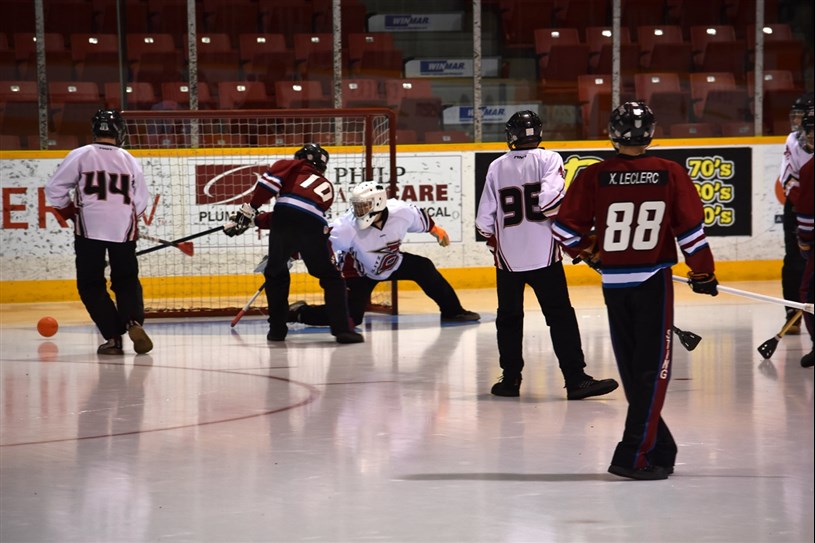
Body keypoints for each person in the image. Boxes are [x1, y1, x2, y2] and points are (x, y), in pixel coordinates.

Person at [552, 101, 718, 480]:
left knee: (633, 370)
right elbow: (690, 232)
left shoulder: (595, 175)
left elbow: (564, 231)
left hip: (615, 284)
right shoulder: (669, 172)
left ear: (612, 133)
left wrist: (590, 248)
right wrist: (703, 273)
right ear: (651, 133)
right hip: (652, 283)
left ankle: (660, 445)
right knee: (652, 372)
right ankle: (631, 454)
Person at [475, 110, 619, 400]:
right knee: (560, 317)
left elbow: (483, 223)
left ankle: (511, 380)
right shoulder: (549, 158)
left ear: (511, 136)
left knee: (509, 319)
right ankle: (576, 379)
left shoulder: (496, 166)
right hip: (544, 257)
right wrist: (573, 239)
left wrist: (501, 240)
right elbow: (551, 202)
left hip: (508, 261)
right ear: (538, 133)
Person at [284, 181, 481, 327]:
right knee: (351, 317)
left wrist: (436, 231)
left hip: (391, 262)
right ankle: (299, 312)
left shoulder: (401, 212)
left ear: (378, 203)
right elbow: (318, 243)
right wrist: (290, 255)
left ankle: (453, 312)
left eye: (364, 206)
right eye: (357, 205)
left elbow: (422, 220)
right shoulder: (346, 226)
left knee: (423, 267)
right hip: (358, 273)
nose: (358, 210)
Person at [224, 143, 363, 344]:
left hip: (284, 220)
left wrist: (250, 211)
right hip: (315, 226)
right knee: (331, 277)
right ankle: (343, 330)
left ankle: (277, 331)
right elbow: (302, 211)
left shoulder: (291, 166)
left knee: (275, 274)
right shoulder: (327, 187)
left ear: (300, 158)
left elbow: (272, 194)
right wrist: (255, 220)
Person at [44, 109, 153, 355]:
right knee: (126, 279)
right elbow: (141, 200)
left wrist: (71, 212)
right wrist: (125, 220)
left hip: (89, 227)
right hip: (123, 230)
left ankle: (114, 337)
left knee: (91, 284)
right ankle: (132, 321)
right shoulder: (128, 159)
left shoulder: (80, 155)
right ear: (119, 132)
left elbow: (54, 190)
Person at [778, 93, 813, 334]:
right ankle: (793, 313)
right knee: (794, 260)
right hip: (799, 210)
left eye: (802, 116)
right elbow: (788, 178)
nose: (797, 121)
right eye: (796, 116)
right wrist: (806, 207)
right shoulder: (793, 140)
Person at [792, 105, 814, 367]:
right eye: (809, 130)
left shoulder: (810, 169)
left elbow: (807, 214)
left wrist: (805, 242)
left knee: (809, 292)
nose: (810, 135)